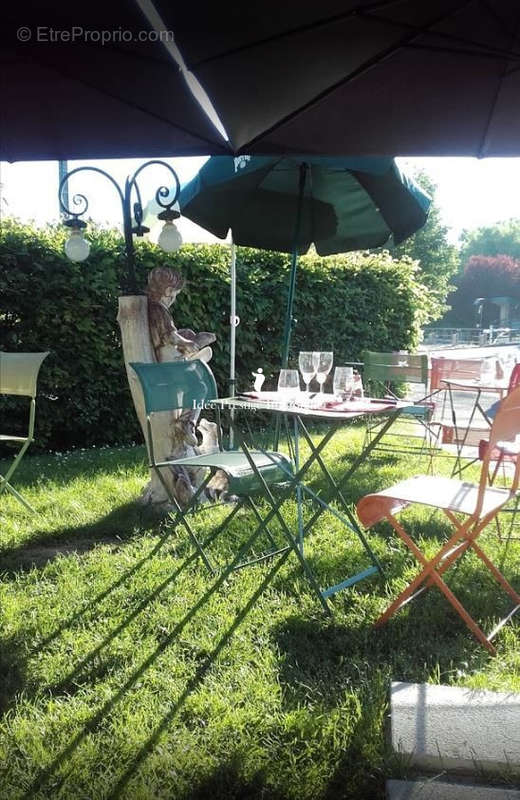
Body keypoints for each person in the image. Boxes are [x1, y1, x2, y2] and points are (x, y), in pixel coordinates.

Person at [145, 266, 216, 363]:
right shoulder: (159, 309)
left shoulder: (150, 307)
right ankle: (189, 362)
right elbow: (170, 336)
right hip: (168, 359)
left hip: (163, 354)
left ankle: (189, 358)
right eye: (175, 295)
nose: (174, 300)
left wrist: (184, 335)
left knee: (190, 336)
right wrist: (187, 343)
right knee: (207, 352)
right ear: (168, 291)